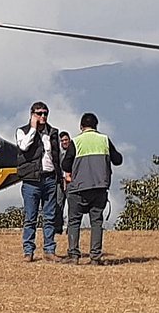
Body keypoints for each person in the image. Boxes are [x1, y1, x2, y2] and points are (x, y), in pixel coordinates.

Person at [61, 113, 122, 265]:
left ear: (81, 127)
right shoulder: (104, 140)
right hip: (99, 187)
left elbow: (65, 165)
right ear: (96, 126)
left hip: (79, 188)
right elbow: (118, 160)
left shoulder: (76, 141)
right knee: (96, 222)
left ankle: (74, 256)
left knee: (74, 221)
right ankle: (95, 257)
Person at [16, 101, 63, 263]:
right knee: (31, 217)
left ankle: (49, 250)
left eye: (45, 113)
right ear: (32, 115)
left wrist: (60, 177)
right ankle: (28, 251)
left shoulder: (53, 133)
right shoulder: (22, 132)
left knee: (50, 217)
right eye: (39, 113)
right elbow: (23, 146)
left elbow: (57, 156)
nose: (43, 116)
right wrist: (33, 128)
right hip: (31, 180)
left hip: (50, 178)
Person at [54, 131, 71, 234]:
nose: (64, 142)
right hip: (60, 182)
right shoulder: (59, 154)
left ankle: (70, 228)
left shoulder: (73, 152)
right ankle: (58, 228)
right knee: (58, 205)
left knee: (72, 206)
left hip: (71, 182)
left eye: (66, 140)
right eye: (62, 141)